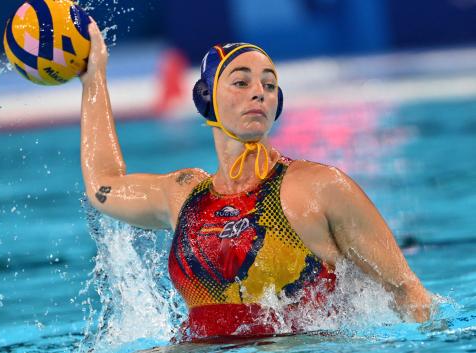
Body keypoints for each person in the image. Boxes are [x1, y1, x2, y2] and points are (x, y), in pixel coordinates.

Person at [78, 20, 431, 341]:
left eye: (269, 84)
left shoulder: (319, 187)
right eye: (241, 82)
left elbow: (408, 292)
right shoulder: (184, 194)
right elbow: (102, 185)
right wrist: (94, 77)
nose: (259, 92)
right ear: (206, 97)